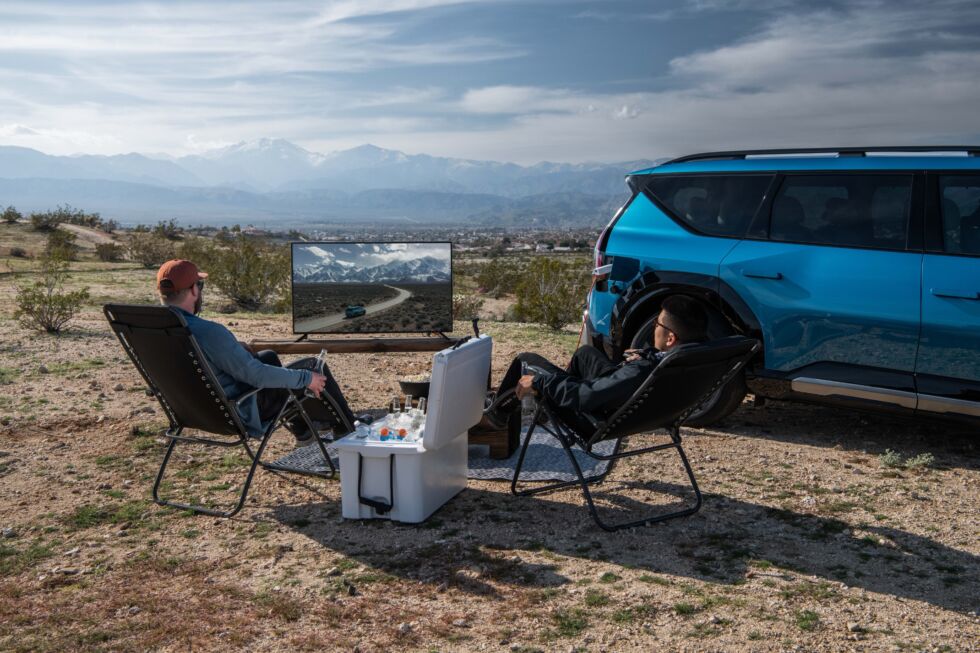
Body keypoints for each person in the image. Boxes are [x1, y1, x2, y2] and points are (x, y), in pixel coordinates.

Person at [156, 259, 356, 444]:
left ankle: (304, 431)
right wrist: (306, 378)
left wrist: (234, 349)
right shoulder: (207, 331)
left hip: (194, 409)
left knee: (267, 356)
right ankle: (349, 430)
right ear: (193, 290)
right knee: (313, 367)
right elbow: (257, 376)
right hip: (239, 410)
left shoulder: (151, 328)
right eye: (200, 285)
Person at [472, 295, 709, 437]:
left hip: (597, 419)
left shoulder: (642, 371)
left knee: (526, 359)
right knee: (586, 353)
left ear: (670, 339)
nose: (654, 327)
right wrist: (647, 355)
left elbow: (587, 397)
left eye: (658, 323)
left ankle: (495, 416)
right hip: (636, 409)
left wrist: (541, 382)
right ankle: (548, 408)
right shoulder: (692, 359)